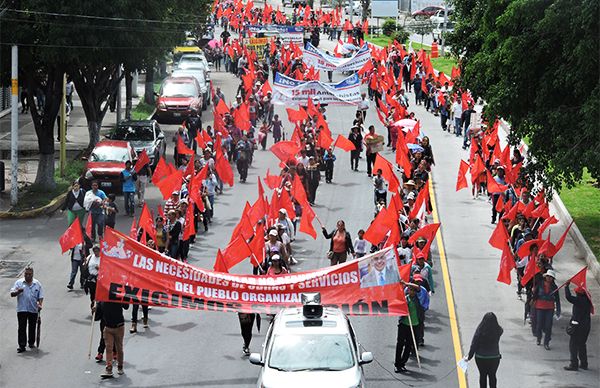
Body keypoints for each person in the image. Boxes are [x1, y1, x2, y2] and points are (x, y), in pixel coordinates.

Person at [394, 279, 427, 373]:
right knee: (400, 344)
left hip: (415, 325)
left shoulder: (419, 299)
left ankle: (402, 363)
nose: (411, 292)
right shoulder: (404, 299)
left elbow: (418, 288)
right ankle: (397, 364)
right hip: (404, 324)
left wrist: (406, 283)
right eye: (410, 289)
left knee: (409, 346)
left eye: (413, 290)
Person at [10, 266, 43, 353]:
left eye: (29, 274)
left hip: (33, 309)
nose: (27, 276)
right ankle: (22, 345)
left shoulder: (37, 284)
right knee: (22, 327)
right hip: (22, 309)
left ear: (32, 274)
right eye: (26, 274)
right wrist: (18, 292)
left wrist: (40, 304)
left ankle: (31, 342)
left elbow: (41, 296)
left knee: (32, 326)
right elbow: (12, 293)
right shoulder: (19, 283)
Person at [466, 312, 503, 388]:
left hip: (481, 357)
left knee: (482, 375)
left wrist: (469, 356)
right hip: (494, 357)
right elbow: (501, 329)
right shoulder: (498, 331)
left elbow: (474, 344)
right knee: (492, 375)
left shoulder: (480, 330)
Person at [564, 284, 592, 371]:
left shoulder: (579, 300)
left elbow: (568, 297)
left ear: (578, 293)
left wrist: (566, 287)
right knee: (582, 345)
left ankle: (574, 364)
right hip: (586, 326)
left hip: (577, 327)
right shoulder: (587, 300)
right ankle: (584, 364)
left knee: (573, 346)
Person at [98, 301, 129, 378]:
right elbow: (97, 317)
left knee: (119, 348)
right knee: (109, 347)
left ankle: (120, 366)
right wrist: (95, 310)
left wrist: (123, 298)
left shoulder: (118, 296)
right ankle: (109, 368)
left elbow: (126, 306)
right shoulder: (101, 300)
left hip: (119, 327)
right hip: (108, 328)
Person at [533, 270, 560, 349]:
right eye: (548, 276)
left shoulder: (554, 287)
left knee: (548, 326)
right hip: (539, 307)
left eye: (551, 277)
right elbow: (535, 295)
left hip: (550, 308)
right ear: (545, 277)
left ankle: (546, 342)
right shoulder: (540, 284)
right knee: (539, 324)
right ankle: (539, 338)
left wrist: (558, 310)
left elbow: (557, 299)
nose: (549, 278)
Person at [85, 245, 102, 310]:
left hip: (100, 281)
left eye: (97, 251)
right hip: (91, 280)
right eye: (95, 251)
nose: (96, 253)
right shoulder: (90, 257)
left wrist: (99, 269)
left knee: (99, 296)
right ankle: (93, 307)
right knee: (92, 295)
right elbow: (85, 266)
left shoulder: (103, 258)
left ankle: (98, 308)